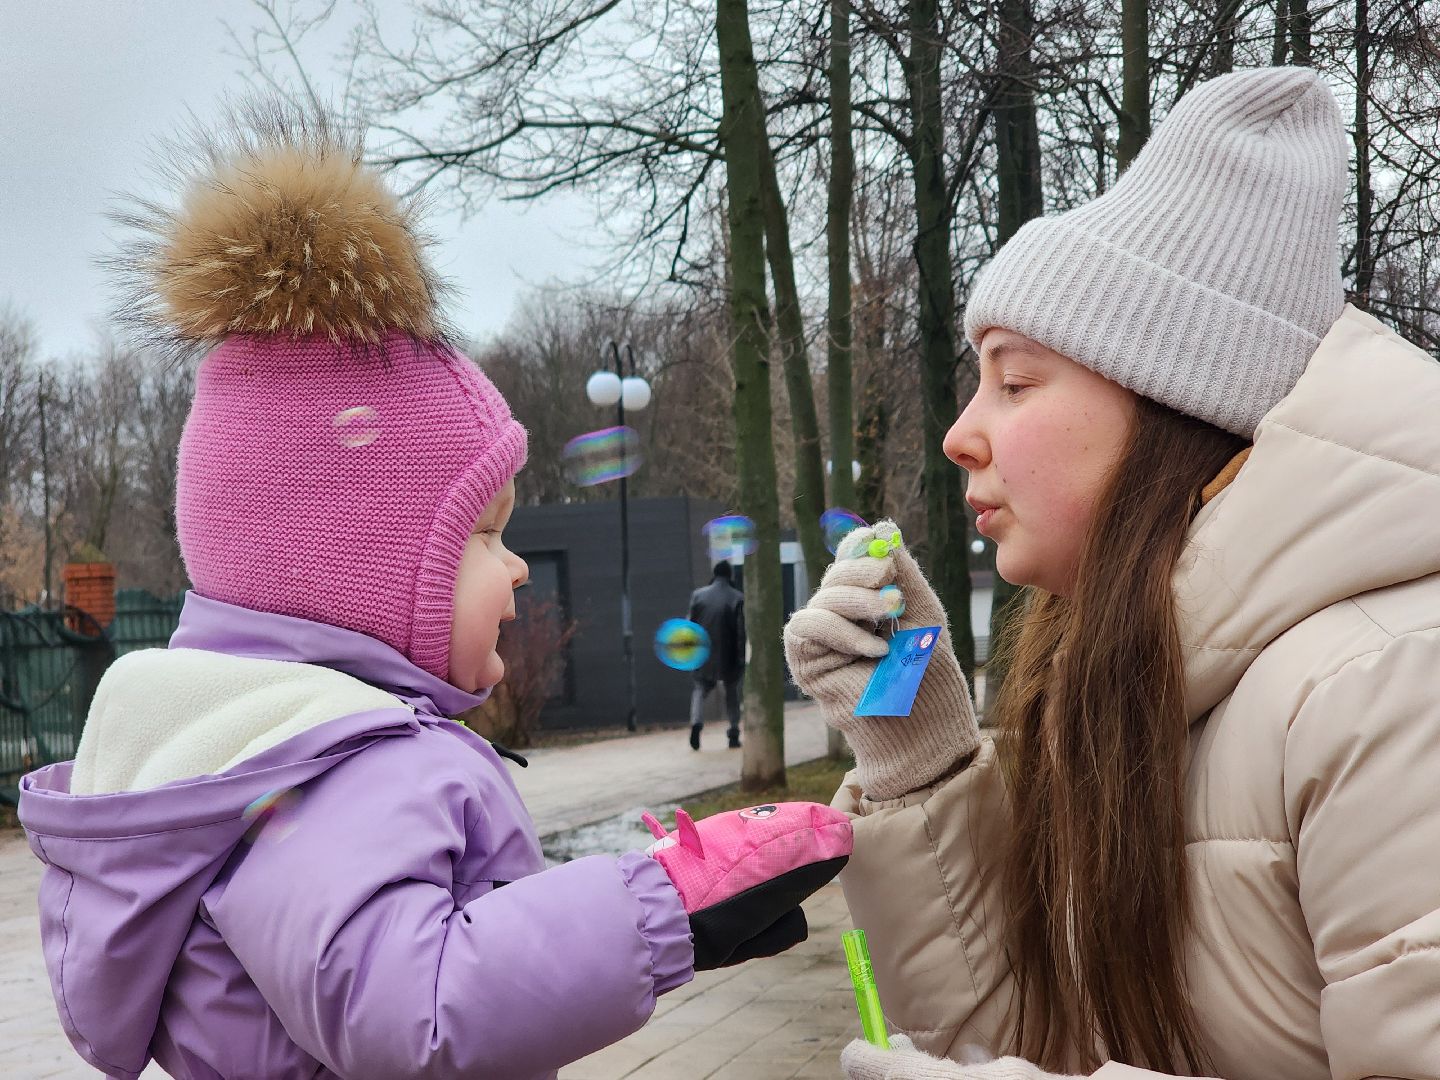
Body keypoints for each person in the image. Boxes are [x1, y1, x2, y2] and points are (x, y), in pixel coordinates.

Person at [16, 103, 849, 1080]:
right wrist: (658, 904)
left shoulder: (266, 757)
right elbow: (411, 1010)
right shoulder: (335, 772)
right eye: (482, 535)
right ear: (352, 577)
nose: (518, 565)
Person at [785, 66, 1440, 1079]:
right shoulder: (1117, 682)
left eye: (1015, 380)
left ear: (1172, 402)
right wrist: (918, 759)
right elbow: (1034, 1044)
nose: (963, 434)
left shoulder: (1394, 687)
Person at [687, 560, 746, 749]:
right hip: (728, 654)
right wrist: (741, 658)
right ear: (730, 575)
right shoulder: (737, 597)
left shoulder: (698, 596)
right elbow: (740, 631)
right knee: (732, 694)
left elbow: (689, 627)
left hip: (703, 654)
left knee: (699, 690)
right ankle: (734, 733)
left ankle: (696, 722)